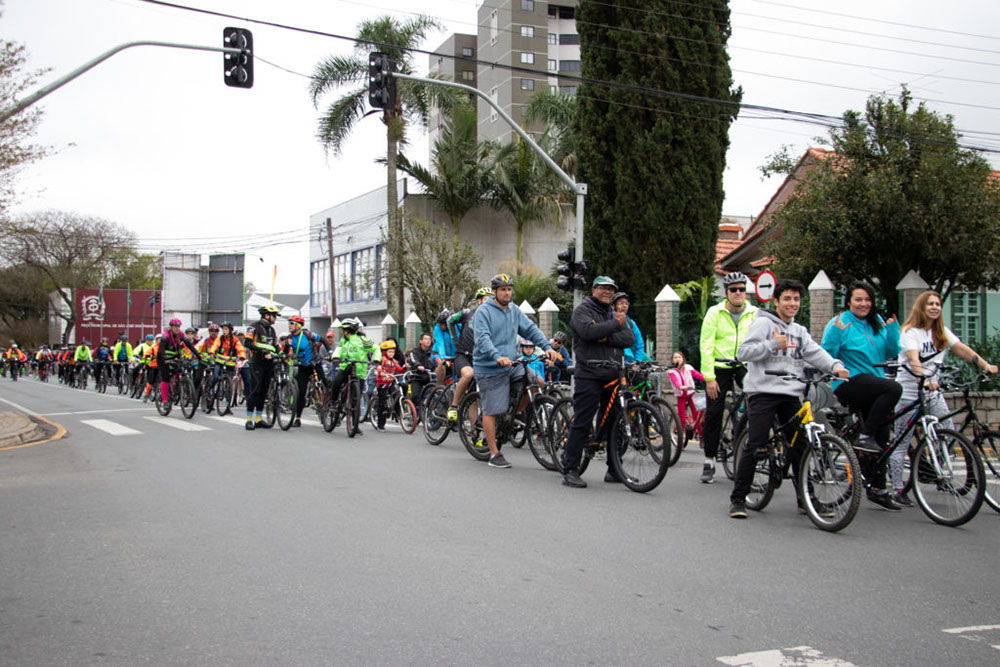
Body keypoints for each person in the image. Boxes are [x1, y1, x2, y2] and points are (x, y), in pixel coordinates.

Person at [728, 279, 849, 518]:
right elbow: (743, 352)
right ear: (777, 301)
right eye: (787, 299)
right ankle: (738, 499)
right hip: (763, 392)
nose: (792, 304)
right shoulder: (763, 323)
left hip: (791, 393)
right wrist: (772, 344)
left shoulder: (799, 331)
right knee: (756, 443)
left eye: (796, 299)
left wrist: (835, 366)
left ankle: (807, 500)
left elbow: (815, 352)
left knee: (801, 446)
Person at [890, 290, 998, 506]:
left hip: (933, 392)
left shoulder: (941, 333)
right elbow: (914, 360)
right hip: (910, 392)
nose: (935, 307)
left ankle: (938, 469)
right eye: (930, 303)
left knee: (948, 432)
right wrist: (924, 379)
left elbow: (962, 350)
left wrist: (985, 365)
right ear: (922, 307)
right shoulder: (910, 332)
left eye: (938, 304)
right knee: (902, 441)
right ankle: (896, 488)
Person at [821, 280, 903, 511]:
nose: (863, 304)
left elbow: (890, 353)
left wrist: (893, 332)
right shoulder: (839, 322)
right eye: (858, 299)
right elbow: (827, 355)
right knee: (894, 388)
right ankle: (864, 435)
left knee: (882, 437)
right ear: (849, 301)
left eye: (867, 300)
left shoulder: (876, 322)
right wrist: (836, 334)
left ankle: (878, 489)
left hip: (874, 383)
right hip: (848, 381)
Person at [473, 273, 559, 469]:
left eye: (509, 289)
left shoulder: (514, 310)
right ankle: (494, 454)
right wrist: (496, 356)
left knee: (538, 382)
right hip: (489, 367)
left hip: (511, 364)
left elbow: (530, 329)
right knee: (492, 409)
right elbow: (482, 338)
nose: (507, 292)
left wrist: (546, 346)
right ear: (495, 292)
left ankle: (512, 415)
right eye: (503, 289)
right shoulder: (483, 312)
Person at [560, 275, 635, 488]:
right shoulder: (582, 311)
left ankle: (614, 469)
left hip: (612, 374)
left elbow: (628, 339)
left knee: (614, 424)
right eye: (603, 288)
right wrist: (614, 325)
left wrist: (605, 335)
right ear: (593, 289)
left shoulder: (612, 313)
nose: (607, 292)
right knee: (583, 421)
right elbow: (587, 331)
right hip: (589, 374)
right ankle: (571, 470)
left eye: (610, 289)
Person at [699, 271, 758, 484]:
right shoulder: (715, 313)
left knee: (758, 403)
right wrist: (709, 378)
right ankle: (709, 460)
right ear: (726, 293)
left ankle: (743, 441)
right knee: (714, 411)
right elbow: (705, 345)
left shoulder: (755, 314)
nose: (738, 293)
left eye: (742, 289)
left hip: (744, 364)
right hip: (719, 366)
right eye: (734, 290)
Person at [446, 287, 492, 421]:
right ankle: (453, 406)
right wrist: (455, 339)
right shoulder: (468, 313)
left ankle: (474, 434)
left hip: (479, 358)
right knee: (468, 374)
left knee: (473, 398)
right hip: (463, 355)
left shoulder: (493, 320)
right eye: (486, 299)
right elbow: (450, 320)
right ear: (479, 301)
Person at [328, 317, 379, 433]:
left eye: (342, 330)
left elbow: (376, 348)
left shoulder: (362, 339)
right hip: (345, 367)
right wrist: (335, 357)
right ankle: (333, 402)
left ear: (346, 331)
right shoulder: (343, 341)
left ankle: (354, 425)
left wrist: (376, 360)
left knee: (356, 397)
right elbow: (339, 350)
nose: (341, 332)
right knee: (336, 381)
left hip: (359, 370)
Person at [244, 305, 281, 430]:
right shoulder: (253, 327)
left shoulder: (271, 330)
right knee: (256, 390)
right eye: (274, 316)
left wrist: (283, 353)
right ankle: (249, 419)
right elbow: (247, 343)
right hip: (256, 362)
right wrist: (262, 351)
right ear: (266, 315)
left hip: (269, 364)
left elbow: (276, 346)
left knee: (264, 392)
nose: (275, 318)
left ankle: (259, 419)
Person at [285, 315, 322, 428]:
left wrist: (330, 352)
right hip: (302, 367)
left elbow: (323, 340)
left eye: (292, 323)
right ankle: (298, 418)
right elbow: (286, 352)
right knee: (301, 392)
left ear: (298, 325)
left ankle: (330, 407)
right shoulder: (290, 337)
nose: (289, 325)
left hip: (315, 363)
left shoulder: (307, 334)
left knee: (325, 382)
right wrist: (288, 345)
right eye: (289, 323)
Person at [156, 318, 199, 406]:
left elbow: (189, 345)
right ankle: (164, 400)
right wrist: (165, 359)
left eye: (178, 326)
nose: (177, 328)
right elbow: (162, 349)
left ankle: (177, 388)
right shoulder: (165, 336)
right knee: (166, 377)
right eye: (175, 326)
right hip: (163, 358)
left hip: (175, 356)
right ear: (171, 327)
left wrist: (198, 355)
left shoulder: (181, 335)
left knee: (180, 370)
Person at [667, 351, 705, 444]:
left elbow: (697, 375)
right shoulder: (672, 371)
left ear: (683, 359)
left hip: (691, 394)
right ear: (672, 361)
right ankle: (681, 439)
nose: (677, 359)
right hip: (681, 395)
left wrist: (707, 380)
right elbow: (675, 381)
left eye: (679, 357)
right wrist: (680, 386)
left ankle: (701, 437)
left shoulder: (688, 368)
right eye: (675, 358)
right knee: (682, 418)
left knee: (697, 416)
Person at [374, 339, 405, 431]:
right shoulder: (382, 360)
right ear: (384, 352)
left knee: (397, 394)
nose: (392, 354)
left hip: (391, 382)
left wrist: (405, 368)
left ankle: (396, 412)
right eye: (390, 352)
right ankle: (380, 424)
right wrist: (380, 373)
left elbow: (399, 369)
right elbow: (378, 368)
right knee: (382, 403)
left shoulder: (393, 361)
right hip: (382, 383)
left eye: (393, 352)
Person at [611, 292, 650, 363]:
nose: (624, 306)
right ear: (613, 306)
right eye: (621, 303)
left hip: (629, 363)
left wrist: (637, 361)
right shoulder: (608, 322)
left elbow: (640, 345)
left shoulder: (631, 323)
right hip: (613, 362)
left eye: (626, 303)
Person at [407, 332, 436, 410]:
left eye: (429, 339)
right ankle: (415, 411)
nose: (428, 341)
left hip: (429, 377)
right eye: (426, 339)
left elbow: (437, 360)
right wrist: (418, 365)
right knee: (415, 396)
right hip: (417, 377)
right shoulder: (414, 351)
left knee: (433, 395)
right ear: (420, 341)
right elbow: (413, 359)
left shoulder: (433, 351)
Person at [433, 309, 455, 386]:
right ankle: (439, 387)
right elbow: (440, 343)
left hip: (454, 355)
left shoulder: (456, 327)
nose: (439, 326)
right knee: (441, 364)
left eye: (441, 324)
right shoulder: (437, 328)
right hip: (438, 353)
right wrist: (443, 358)